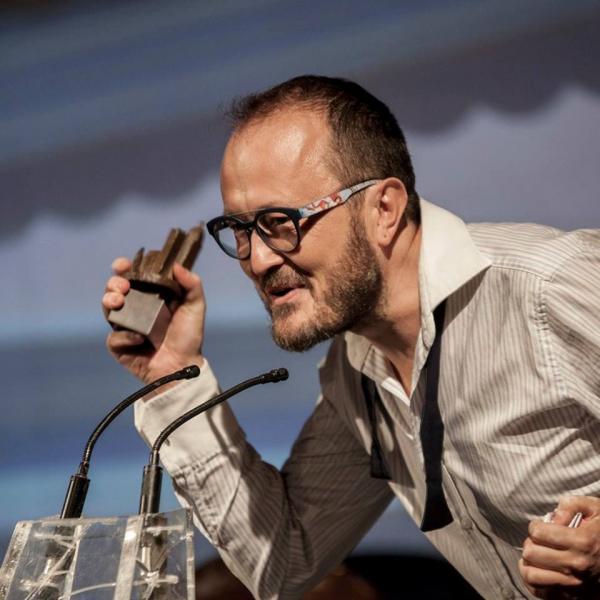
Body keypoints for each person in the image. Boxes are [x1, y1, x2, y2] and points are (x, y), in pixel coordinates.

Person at [102, 75, 600, 600]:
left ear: (384, 209)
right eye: (241, 231)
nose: (259, 260)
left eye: (281, 221)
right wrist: (172, 372)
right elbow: (285, 561)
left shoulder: (553, 286)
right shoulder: (357, 371)